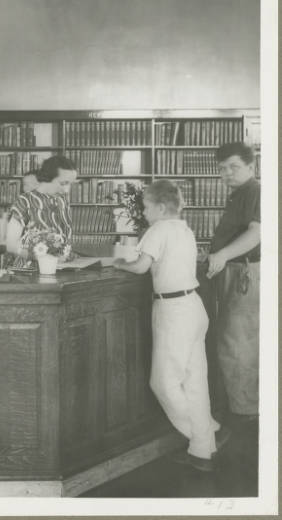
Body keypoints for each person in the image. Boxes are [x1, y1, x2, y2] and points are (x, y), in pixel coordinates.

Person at [115, 180, 229, 472]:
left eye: (147, 208)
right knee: (195, 382)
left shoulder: (158, 229)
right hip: (194, 307)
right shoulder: (185, 229)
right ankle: (204, 449)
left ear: (161, 207)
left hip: (172, 311)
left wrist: (118, 264)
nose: (145, 213)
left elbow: (140, 267)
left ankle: (205, 437)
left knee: (163, 383)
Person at [206, 142, 260, 422]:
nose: (227, 173)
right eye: (221, 169)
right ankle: (242, 408)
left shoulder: (256, 190)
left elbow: (257, 233)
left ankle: (245, 414)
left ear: (252, 167)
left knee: (238, 345)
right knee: (234, 342)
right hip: (236, 271)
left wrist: (223, 254)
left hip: (246, 273)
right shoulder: (239, 193)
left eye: (234, 167)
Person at [5, 155, 77, 268]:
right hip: (29, 271)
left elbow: (64, 239)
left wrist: (66, 255)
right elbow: (11, 245)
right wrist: (40, 258)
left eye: (70, 184)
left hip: (61, 269)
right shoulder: (24, 201)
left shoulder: (62, 200)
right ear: (48, 178)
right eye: (63, 183)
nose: (67, 190)